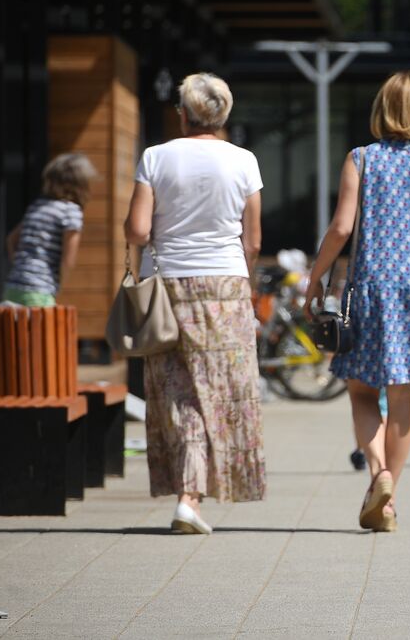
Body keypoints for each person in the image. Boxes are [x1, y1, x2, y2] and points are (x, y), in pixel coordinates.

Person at [305, 71, 410, 532]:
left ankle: (379, 475)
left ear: (382, 111)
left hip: (372, 287)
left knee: (360, 389)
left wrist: (316, 278)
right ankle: (388, 502)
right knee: (404, 393)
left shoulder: (361, 159)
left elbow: (341, 228)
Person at [123, 73, 265, 535]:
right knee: (223, 390)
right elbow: (253, 240)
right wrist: (245, 281)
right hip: (226, 285)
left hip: (169, 285)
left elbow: (138, 230)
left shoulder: (156, 156)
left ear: (183, 113)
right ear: (224, 114)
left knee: (176, 390)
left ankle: (188, 494)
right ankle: (193, 498)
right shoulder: (244, 160)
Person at [3, 153, 97, 306]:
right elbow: (68, 261)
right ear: (80, 183)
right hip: (39, 290)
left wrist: (22, 268)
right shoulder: (70, 212)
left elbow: (11, 240)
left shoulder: (37, 206)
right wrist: (58, 286)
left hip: (13, 286)